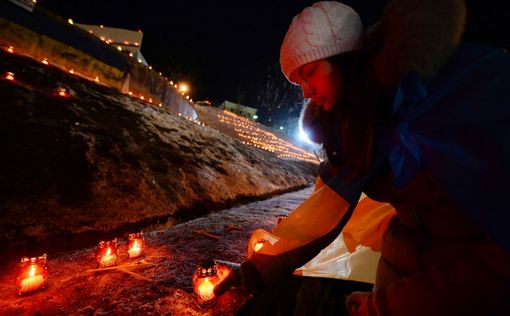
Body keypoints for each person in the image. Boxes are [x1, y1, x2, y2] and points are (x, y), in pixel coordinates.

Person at [215, 1, 510, 315]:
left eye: (309, 73)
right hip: (400, 263)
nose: (305, 93)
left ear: (344, 59)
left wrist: (383, 307)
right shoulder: (350, 126)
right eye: (298, 81)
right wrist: (253, 273)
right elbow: (322, 214)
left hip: (471, 277)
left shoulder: (454, 95)